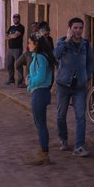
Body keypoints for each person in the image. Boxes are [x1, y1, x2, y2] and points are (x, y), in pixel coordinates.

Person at [54, 17, 92, 157]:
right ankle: (63, 139)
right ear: (70, 29)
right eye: (75, 28)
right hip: (63, 84)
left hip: (80, 86)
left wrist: (87, 77)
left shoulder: (86, 45)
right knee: (60, 115)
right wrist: (66, 41)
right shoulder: (62, 42)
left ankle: (79, 146)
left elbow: (90, 63)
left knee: (81, 116)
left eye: (81, 28)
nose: (78, 31)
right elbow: (56, 55)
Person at [24, 34, 57, 166]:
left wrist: (29, 81)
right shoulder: (40, 57)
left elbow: (41, 77)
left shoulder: (40, 58)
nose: (28, 45)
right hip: (39, 92)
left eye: (30, 43)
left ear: (36, 44)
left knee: (40, 123)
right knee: (40, 123)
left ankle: (44, 152)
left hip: (40, 92)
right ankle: (43, 150)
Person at [5, 14, 26, 84]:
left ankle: (20, 81)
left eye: (17, 19)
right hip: (10, 49)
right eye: (14, 19)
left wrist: (10, 36)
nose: (15, 20)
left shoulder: (21, 27)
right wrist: (12, 36)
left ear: (19, 19)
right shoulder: (11, 27)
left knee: (18, 64)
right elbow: (6, 36)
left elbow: (16, 35)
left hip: (18, 49)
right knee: (9, 64)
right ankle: (11, 79)